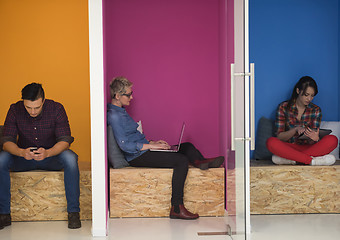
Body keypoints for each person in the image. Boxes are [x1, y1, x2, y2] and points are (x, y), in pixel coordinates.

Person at [107, 77, 224, 220]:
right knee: (181, 160)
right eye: (128, 94)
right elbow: (125, 145)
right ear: (117, 96)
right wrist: (151, 146)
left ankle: (200, 162)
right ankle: (176, 208)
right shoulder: (115, 116)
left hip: (144, 150)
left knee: (185, 146)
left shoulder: (121, 112)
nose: (132, 97)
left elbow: (132, 137)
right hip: (137, 156)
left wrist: (153, 142)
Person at [0, 83, 81, 229]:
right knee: (1, 159)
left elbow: (65, 140)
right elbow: (6, 142)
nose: (32, 111)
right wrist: (21, 152)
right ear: (23, 102)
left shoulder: (56, 108)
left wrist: (48, 152)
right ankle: (4, 215)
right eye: (28, 107)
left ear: (43, 100)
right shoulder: (14, 109)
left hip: (51, 157)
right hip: (23, 158)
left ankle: (73, 213)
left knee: (70, 158)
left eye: (36, 107)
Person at [266, 76, 338, 165]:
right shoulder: (283, 107)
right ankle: (311, 161)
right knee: (271, 142)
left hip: (309, 148)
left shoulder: (316, 110)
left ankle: (292, 160)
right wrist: (295, 130)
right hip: (289, 148)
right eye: (306, 95)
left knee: (333, 139)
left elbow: (315, 137)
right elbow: (279, 137)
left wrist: (316, 138)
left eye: (312, 96)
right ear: (298, 91)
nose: (309, 99)